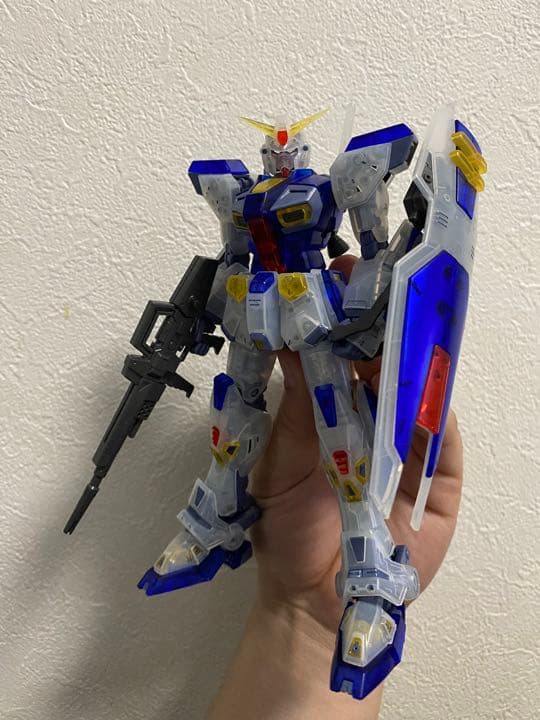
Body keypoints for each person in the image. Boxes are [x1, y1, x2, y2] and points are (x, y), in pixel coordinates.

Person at [207, 254, 464, 720]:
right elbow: (234, 253)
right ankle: (215, 512)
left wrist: (378, 290)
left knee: (342, 430)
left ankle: (371, 572)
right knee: (236, 404)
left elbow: (377, 244)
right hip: (275, 305)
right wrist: (298, 609)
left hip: (318, 315)